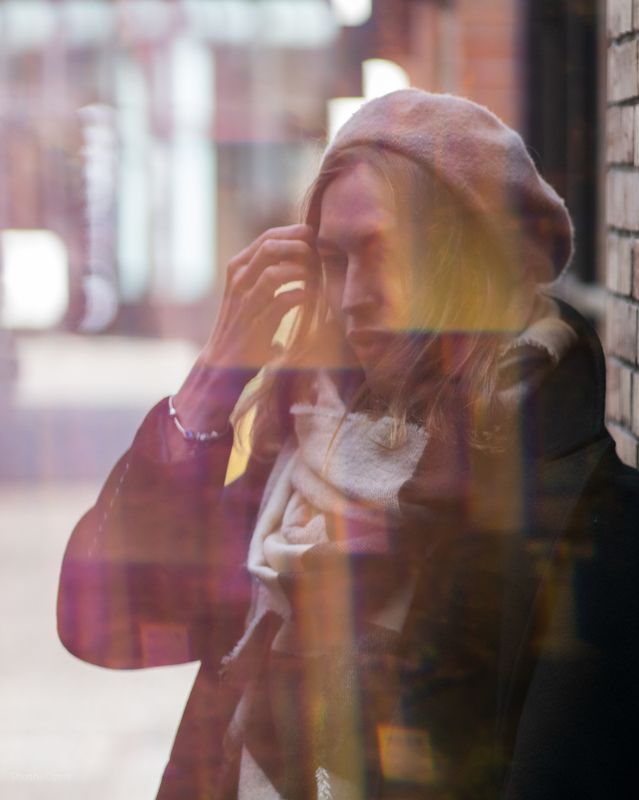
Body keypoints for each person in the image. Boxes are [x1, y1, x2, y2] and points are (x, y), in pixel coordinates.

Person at [57, 90, 639, 799]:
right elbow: (102, 625)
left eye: (384, 253)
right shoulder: (294, 478)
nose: (349, 297)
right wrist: (212, 382)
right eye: (332, 261)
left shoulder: (580, 514)